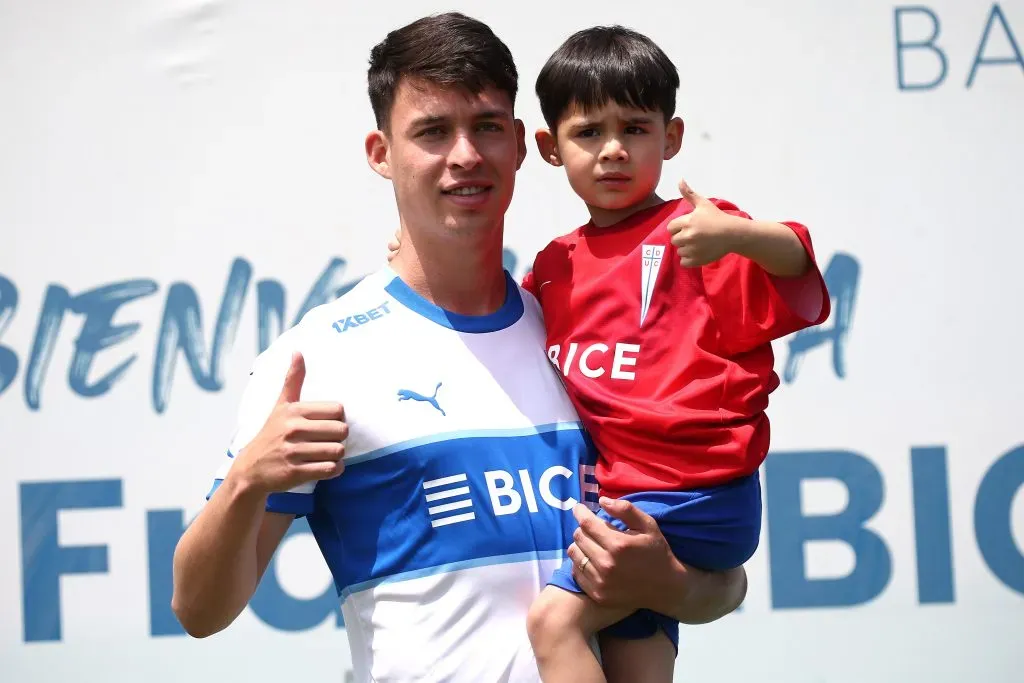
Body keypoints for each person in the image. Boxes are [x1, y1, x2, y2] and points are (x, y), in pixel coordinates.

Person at [170, 13, 746, 683]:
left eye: (487, 126)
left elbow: (724, 585)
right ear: (381, 152)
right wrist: (246, 479)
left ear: (523, 148)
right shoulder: (319, 359)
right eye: (433, 131)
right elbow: (199, 609)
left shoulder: (581, 340)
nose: (466, 154)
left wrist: (669, 584)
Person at [390, 22, 830, 683]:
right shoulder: (556, 265)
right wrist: (413, 258)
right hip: (633, 502)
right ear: (546, 147)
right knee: (633, 657)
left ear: (671, 137)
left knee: (553, 622)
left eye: (635, 128)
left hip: (690, 497)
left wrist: (738, 234)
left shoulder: (697, 233)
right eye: (588, 133)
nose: (613, 151)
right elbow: (504, 313)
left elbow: (797, 263)